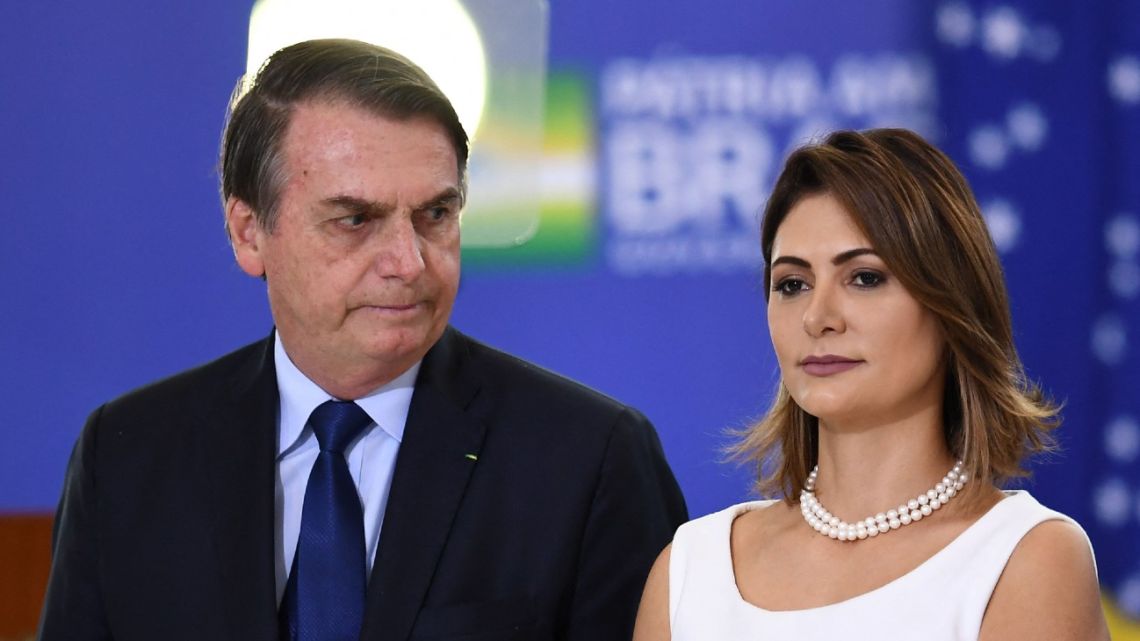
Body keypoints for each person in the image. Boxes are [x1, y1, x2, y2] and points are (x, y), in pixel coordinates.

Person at [39, 38, 687, 641]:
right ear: (248, 232)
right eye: (355, 219)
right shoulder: (126, 457)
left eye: (436, 214)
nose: (409, 262)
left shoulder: (589, 459)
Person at [633, 128, 1109, 640]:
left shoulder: (1027, 558)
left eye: (865, 278)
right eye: (793, 284)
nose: (818, 317)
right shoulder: (689, 570)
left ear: (951, 302)